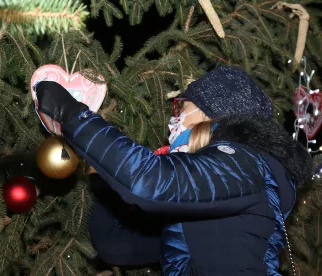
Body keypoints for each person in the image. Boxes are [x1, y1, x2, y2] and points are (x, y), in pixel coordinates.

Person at [33, 66, 312, 275]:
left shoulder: (244, 163)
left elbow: (151, 181)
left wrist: (72, 115)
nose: (173, 118)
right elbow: (115, 246)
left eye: (182, 106)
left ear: (209, 113)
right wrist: (100, 176)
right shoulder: (205, 211)